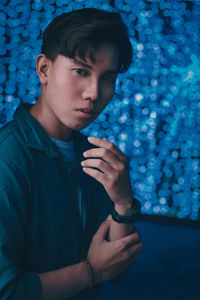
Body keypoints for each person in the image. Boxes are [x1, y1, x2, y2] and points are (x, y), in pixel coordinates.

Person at [0, 8, 143, 300]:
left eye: (107, 78)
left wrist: (123, 203)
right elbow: (7, 290)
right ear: (44, 69)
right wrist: (91, 271)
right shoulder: (7, 159)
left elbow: (117, 266)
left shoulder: (93, 155)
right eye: (81, 71)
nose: (93, 92)